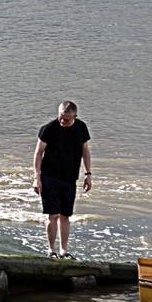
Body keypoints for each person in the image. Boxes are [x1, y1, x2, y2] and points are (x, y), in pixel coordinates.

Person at [33, 101, 92, 259]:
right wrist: (36, 178)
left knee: (65, 215)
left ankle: (64, 251)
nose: (62, 121)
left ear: (74, 116)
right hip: (49, 177)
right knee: (52, 215)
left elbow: (85, 151)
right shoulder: (48, 129)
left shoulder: (81, 128)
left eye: (66, 119)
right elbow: (38, 153)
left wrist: (88, 174)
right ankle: (51, 250)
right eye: (60, 117)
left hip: (70, 178)